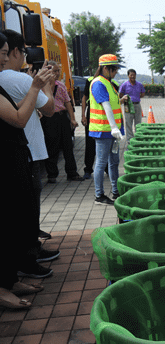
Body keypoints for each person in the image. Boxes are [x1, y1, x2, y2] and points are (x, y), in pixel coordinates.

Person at [0, 31, 55, 308]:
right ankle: (9, 281)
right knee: (15, 222)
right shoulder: (19, 80)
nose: (4, 57)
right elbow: (25, 117)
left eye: (6, 51)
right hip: (10, 162)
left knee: (16, 223)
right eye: (2, 51)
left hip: (17, 157)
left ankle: (10, 279)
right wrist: (38, 86)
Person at [89, 54, 125, 205]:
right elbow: (106, 106)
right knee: (101, 162)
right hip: (103, 130)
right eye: (114, 69)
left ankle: (116, 191)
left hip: (111, 131)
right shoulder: (98, 83)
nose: (116, 71)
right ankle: (99, 195)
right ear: (105, 68)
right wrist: (114, 127)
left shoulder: (108, 82)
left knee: (114, 161)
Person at [42, 61, 83, 182]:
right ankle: (52, 175)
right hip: (49, 118)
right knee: (52, 147)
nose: (57, 73)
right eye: (54, 71)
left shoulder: (61, 85)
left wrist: (73, 119)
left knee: (68, 146)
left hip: (62, 117)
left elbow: (67, 102)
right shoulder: (42, 86)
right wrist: (50, 84)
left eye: (58, 71)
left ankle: (72, 173)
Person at [119, 68, 145, 145]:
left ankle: (137, 137)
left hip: (137, 105)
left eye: (134, 75)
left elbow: (143, 94)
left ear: (135, 76)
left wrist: (136, 97)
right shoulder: (124, 84)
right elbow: (120, 94)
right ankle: (129, 139)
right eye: (131, 75)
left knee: (138, 122)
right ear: (128, 76)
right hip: (128, 106)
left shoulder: (139, 84)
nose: (132, 76)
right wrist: (124, 98)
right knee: (128, 123)